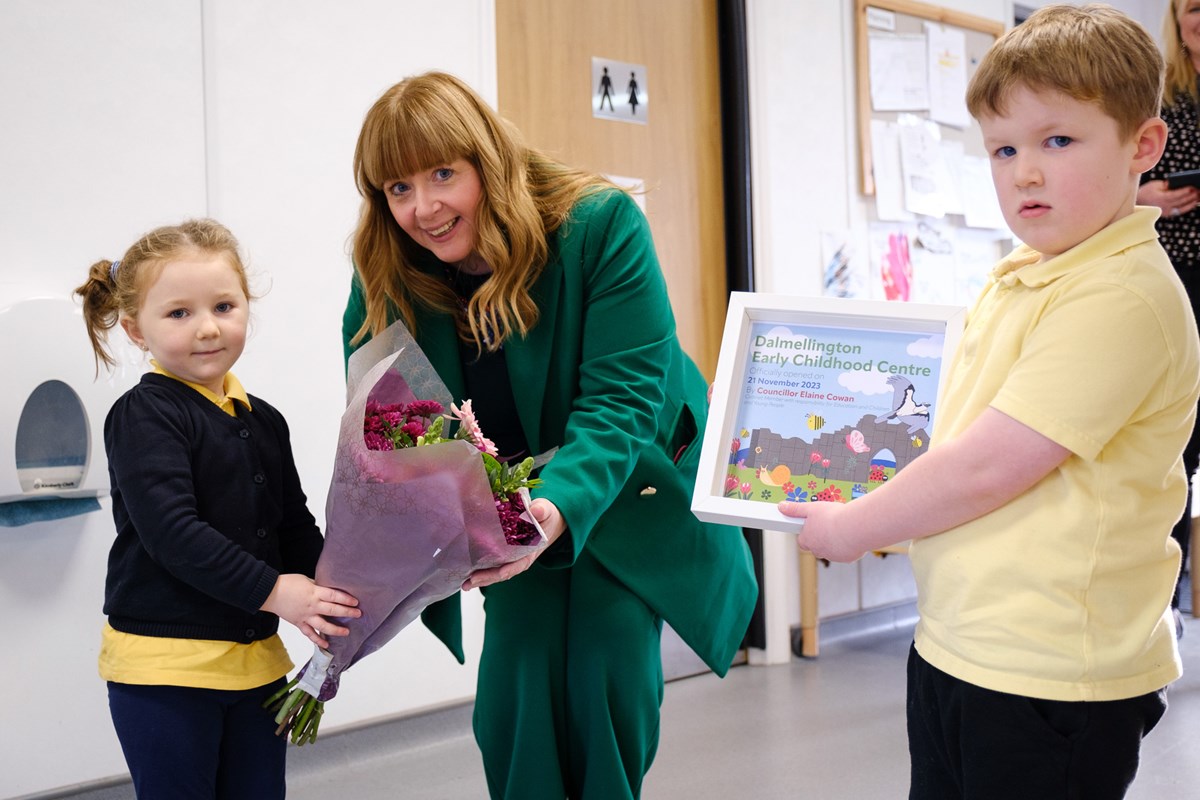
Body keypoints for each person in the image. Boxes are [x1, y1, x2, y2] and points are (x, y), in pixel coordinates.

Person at [779, 6, 1199, 799]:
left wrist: (854, 524)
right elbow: (955, 426)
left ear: (1143, 147)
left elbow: (988, 467)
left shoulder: (1122, 295)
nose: (1024, 172)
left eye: (1058, 141)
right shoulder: (1031, 274)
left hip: (1052, 677)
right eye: (1003, 150)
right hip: (960, 644)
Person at [343, 71, 757, 799]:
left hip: (622, 491)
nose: (424, 207)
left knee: (607, 691)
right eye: (398, 188)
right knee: (513, 706)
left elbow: (623, 402)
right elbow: (389, 416)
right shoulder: (386, 266)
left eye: (444, 174)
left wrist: (555, 508)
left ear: (487, 162)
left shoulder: (597, 222)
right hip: (506, 519)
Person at [75, 219, 361, 799]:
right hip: (165, 672)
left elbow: (291, 524)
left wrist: (343, 589)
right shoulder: (144, 414)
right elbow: (174, 534)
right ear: (135, 328)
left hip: (255, 666)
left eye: (224, 306)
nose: (207, 328)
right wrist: (279, 593)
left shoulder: (263, 418)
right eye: (178, 314)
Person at [1137, 0, 1200, 637]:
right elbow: (1110, 175)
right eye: (1190, 9)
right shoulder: (1161, 91)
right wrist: (1146, 195)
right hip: (1177, 274)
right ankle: (1165, 602)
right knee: (1177, 452)